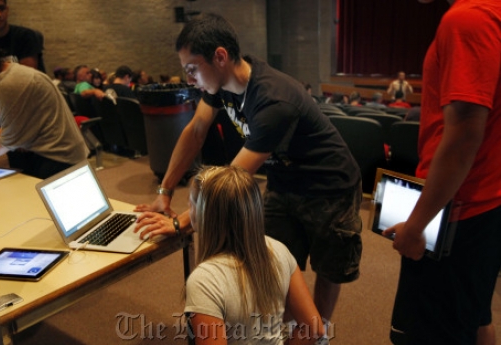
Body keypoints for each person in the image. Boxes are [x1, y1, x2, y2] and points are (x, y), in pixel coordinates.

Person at [134, 13, 363, 344]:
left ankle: (318, 336)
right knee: (274, 262)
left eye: (192, 69)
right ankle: (285, 334)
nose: (190, 79)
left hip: (330, 186)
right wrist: (164, 192)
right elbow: (195, 130)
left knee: (328, 269)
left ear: (220, 57)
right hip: (284, 181)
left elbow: (233, 177)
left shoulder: (273, 98)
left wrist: (181, 222)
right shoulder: (220, 84)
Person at [383, 1, 501, 344]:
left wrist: (416, 226)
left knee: (430, 334)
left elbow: (464, 135)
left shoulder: (468, 19)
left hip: (457, 216)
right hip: (482, 206)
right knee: (475, 320)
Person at [182, 165, 325, 344]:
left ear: (205, 216)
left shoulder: (205, 281)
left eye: (190, 204)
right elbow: (314, 328)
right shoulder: (279, 250)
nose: (189, 211)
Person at [0, 31, 89, 179]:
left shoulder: (10, 83)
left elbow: (8, 141)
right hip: (55, 154)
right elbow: (9, 126)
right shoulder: (12, 73)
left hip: (59, 158)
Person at [0, 0, 46, 145]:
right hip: (11, 115)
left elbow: (27, 82)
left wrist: (20, 128)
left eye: (1, 8)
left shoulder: (25, 36)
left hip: (37, 112)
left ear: (7, 9)